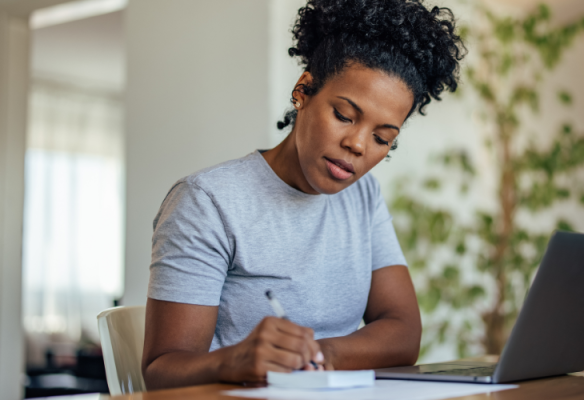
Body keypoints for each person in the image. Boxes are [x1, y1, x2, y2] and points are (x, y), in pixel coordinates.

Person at [141, 0, 464, 390]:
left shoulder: (362, 197)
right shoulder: (208, 202)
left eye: (383, 138)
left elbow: (404, 331)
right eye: (344, 115)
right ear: (303, 91)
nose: (358, 145)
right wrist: (236, 360)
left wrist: (319, 357)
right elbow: (161, 371)